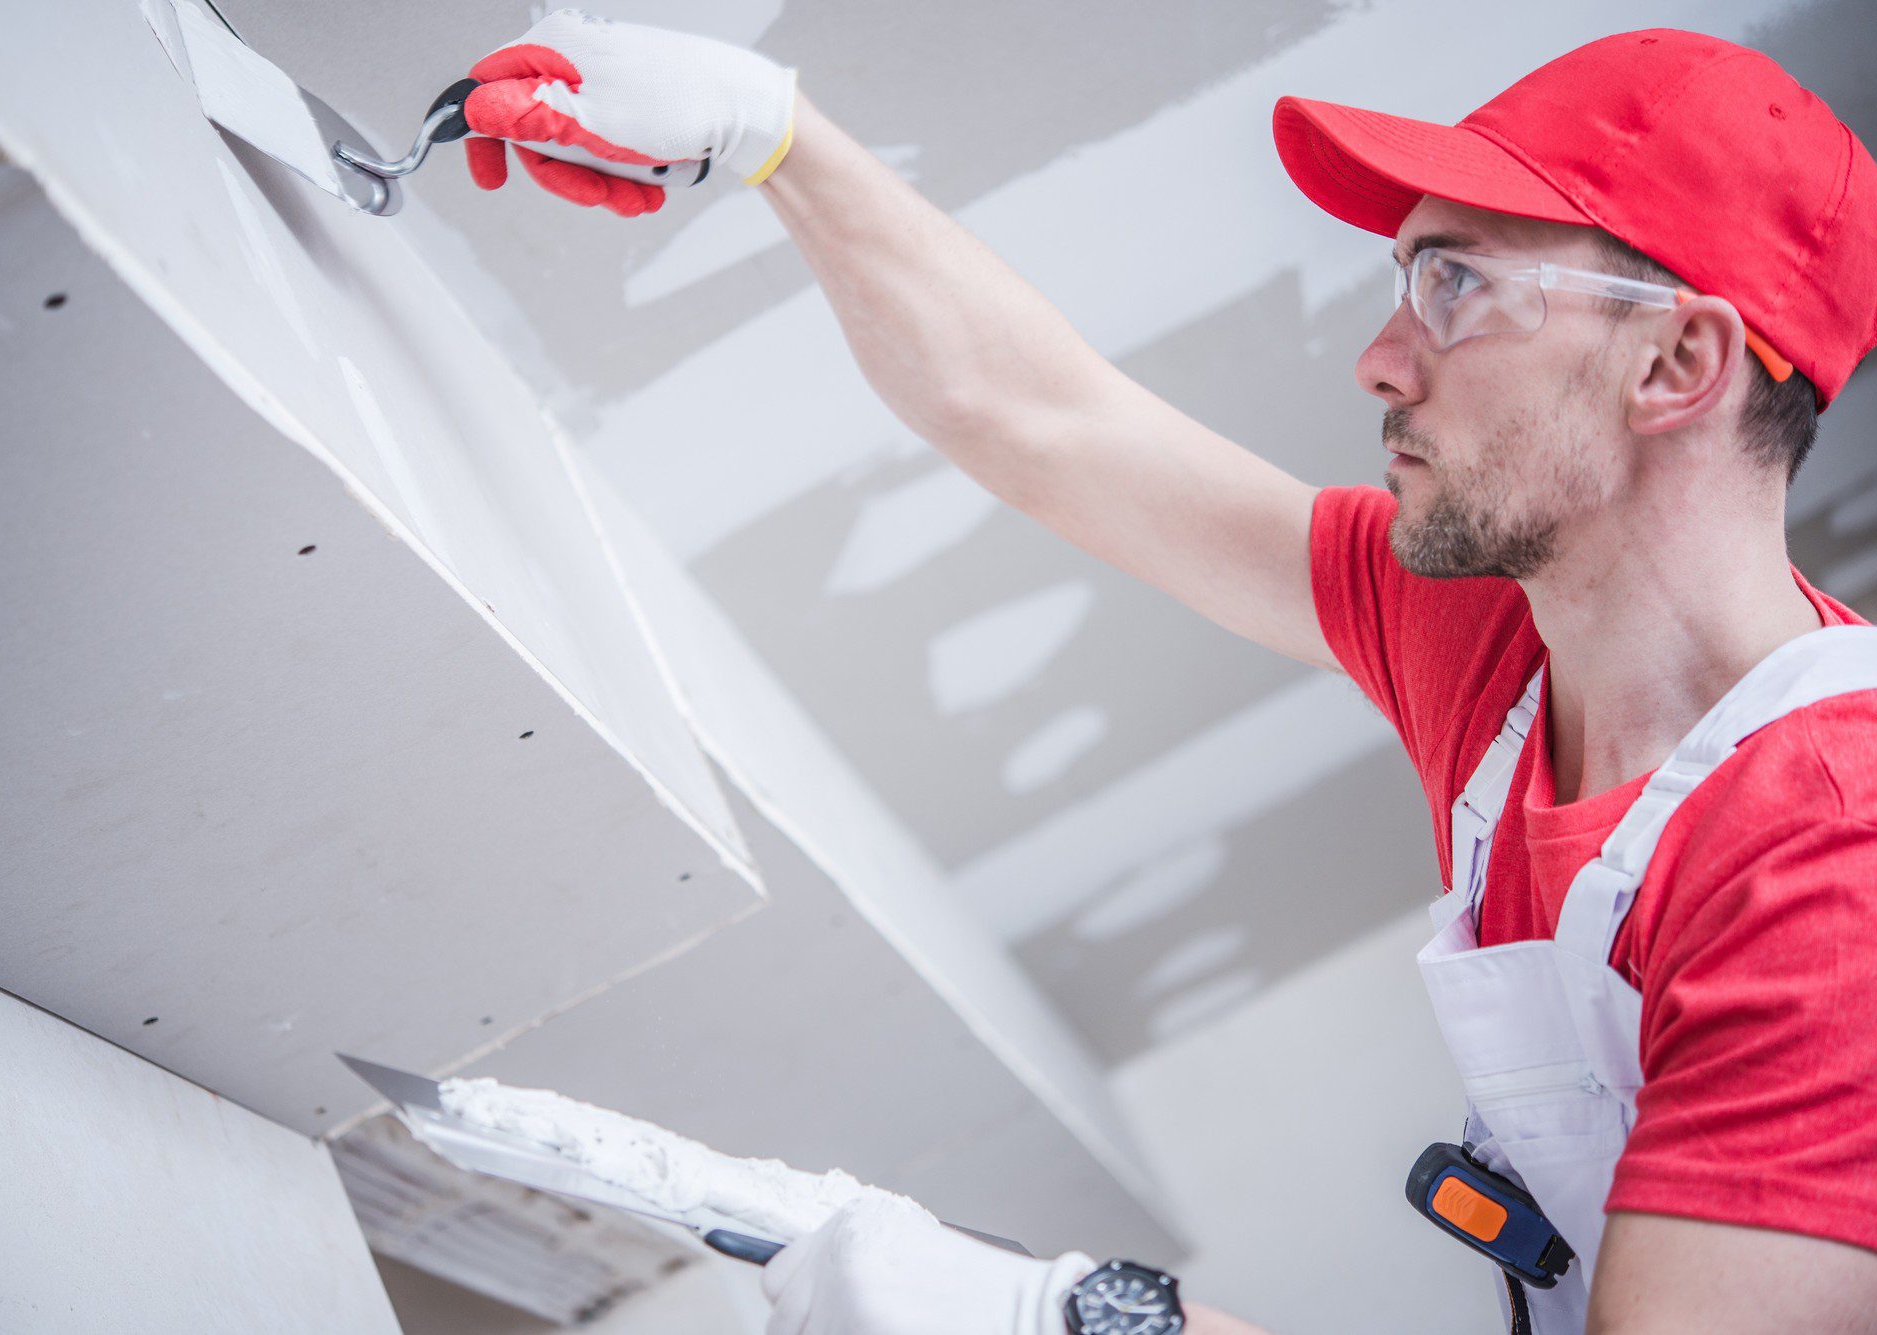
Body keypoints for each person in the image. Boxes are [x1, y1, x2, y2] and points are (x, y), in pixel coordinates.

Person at [459, 12, 1877, 1334]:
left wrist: (1078, 1320)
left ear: (1678, 361)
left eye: (1457, 286)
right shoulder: (1504, 653)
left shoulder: (1830, 876)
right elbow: (1043, 421)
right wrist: (774, 134)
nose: (1382, 360)